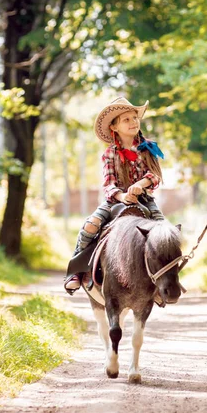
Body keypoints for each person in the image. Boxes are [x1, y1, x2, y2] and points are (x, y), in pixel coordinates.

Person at [64, 97, 165, 295]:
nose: (133, 122)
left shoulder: (148, 148)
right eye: (126, 119)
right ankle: (76, 271)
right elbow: (108, 184)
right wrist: (122, 196)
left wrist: (140, 185)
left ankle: (166, 279)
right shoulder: (109, 154)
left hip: (145, 199)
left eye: (134, 117)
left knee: (164, 232)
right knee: (90, 225)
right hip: (115, 201)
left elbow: (155, 175)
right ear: (114, 126)